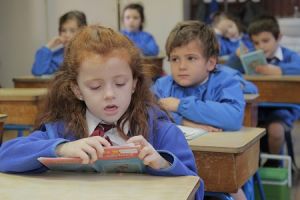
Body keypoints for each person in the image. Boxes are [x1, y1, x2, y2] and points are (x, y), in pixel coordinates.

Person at [0, 25, 204, 200]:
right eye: (95, 87)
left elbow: (196, 190)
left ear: (134, 83)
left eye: (120, 83)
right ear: (77, 90)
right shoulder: (63, 130)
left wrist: (163, 164)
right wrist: (61, 149)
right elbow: (5, 156)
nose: (109, 94)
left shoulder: (160, 131)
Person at [152, 20, 255, 200]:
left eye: (191, 58)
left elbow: (233, 117)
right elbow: (149, 113)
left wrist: (179, 106)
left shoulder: (226, 80)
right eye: (175, 59)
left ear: (210, 62)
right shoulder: (163, 84)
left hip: (217, 162)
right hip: (174, 163)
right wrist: (184, 121)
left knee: (233, 190)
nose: (181, 66)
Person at [246, 15, 300, 166]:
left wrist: (280, 70)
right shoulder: (250, 56)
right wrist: (237, 57)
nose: (261, 47)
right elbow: (229, 71)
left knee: (276, 131)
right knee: (241, 130)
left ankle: (273, 163)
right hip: (256, 107)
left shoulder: (290, 56)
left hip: (283, 107)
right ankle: (251, 167)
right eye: (256, 43)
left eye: (265, 41)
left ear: (278, 37)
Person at [31, 10, 87, 76]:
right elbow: (38, 72)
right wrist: (48, 46)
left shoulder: (89, 54)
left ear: (83, 32)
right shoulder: (56, 56)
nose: (67, 35)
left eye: (72, 30)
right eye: (63, 30)